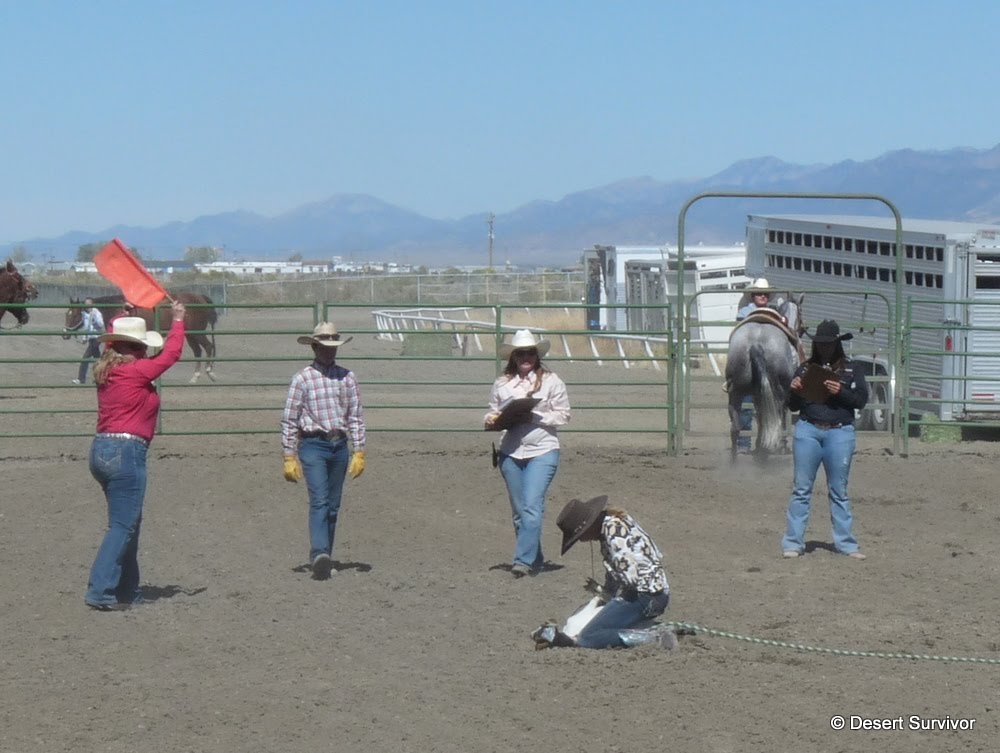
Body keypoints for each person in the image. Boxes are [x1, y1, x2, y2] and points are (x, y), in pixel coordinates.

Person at [84, 301, 186, 611]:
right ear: (132, 348)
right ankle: (100, 589)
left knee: (127, 522)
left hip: (102, 449)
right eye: (141, 346)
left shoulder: (107, 370)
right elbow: (171, 354)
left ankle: (127, 589)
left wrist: (124, 316)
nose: (145, 352)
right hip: (127, 452)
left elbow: (117, 339)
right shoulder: (137, 371)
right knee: (123, 526)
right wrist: (178, 321)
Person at [281, 322, 367, 580]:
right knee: (320, 499)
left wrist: (359, 449)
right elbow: (290, 418)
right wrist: (288, 454)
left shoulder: (347, 378)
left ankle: (324, 556)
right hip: (313, 444)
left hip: (339, 445)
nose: (330, 351)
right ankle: (319, 552)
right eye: (325, 346)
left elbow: (355, 416)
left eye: (333, 347)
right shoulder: (302, 379)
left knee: (332, 504)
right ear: (315, 347)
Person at [531, 495, 674, 649]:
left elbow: (630, 578)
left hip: (645, 597)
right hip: (654, 595)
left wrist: (608, 594)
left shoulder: (614, 533)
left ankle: (653, 638)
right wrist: (607, 591)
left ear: (589, 526)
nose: (582, 540)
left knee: (589, 636)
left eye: (580, 535)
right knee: (598, 624)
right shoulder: (614, 525)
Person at [485, 329, 570, 577]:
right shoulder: (501, 384)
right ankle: (536, 558)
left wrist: (536, 416)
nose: (526, 358)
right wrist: (492, 419)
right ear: (513, 356)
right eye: (520, 353)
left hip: (543, 449)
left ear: (536, 355)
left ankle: (522, 561)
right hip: (510, 451)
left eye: (530, 353)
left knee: (532, 506)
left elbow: (564, 415)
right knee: (519, 512)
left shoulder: (552, 381)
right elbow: (492, 410)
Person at [782, 319, 869, 560]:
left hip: (840, 431)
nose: (824, 348)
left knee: (839, 490)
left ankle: (846, 544)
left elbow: (860, 400)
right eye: (821, 344)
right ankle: (793, 542)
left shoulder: (852, 370)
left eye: (829, 344)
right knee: (801, 488)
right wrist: (794, 391)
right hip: (808, 429)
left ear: (836, 344)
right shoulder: (805, 370)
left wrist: (840, 392)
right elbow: (792, 406)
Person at [733, 278, 774, 453]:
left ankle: (766, 443)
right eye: (758, 293)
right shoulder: (744, 312)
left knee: (767, 407)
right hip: (749, 364)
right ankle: (744, 443)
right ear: (753, 296)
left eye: (765, 294)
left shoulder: (774, 312)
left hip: (769, 364)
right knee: (747, 406)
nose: (762, 296)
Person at [70, 298, 105, 384]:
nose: (87, 305)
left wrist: (94, 319)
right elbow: (86, 327)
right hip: (91, 338)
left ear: (92, 304)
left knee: (85, 358)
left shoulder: (96, 313)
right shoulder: (85, 314)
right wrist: (84, 338)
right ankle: (101, 377)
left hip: (96, 338)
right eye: (86, 304)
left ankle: (81, 379)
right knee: (98, 359)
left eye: (88, 304)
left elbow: (101, 324)